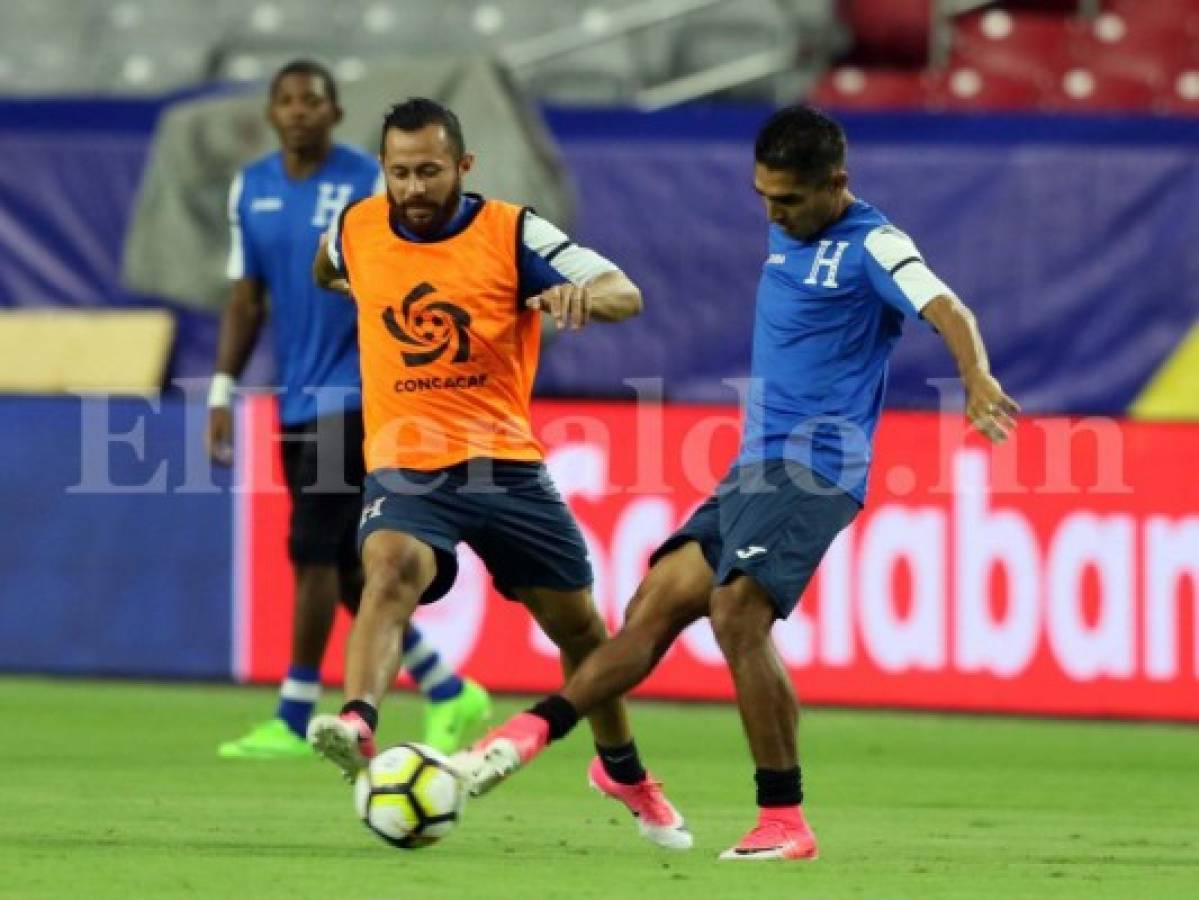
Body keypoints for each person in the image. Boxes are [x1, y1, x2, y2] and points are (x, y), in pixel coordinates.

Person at [455, 105, 1020, 861]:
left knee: (736, 611)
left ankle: (783, 821)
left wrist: (974, 376)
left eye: (787, 200)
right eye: (762, 196)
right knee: (649, 609)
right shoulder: (789, 224)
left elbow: (946, 306)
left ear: (836, 185)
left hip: (817, 469)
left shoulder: (874, 244)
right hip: (753, 468)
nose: (772, 213)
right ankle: (532, 744)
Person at [305, 97, 691, 851]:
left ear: (463, 166)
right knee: (387, 570)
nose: (412, 189)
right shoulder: (356, 226)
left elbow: (626, 292)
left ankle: (622, 770)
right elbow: (328, 265)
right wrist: (350, 286)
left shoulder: (511, 231)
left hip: (505, 468)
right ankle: (357, 721)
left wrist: (579, 295)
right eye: (398, 173)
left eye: (428, 171)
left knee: (580, 630)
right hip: (408, 463)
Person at [207, 61, 489, 760]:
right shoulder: (253, 187)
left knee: (311, 554)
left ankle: (294, 711)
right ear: (272, 114)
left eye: (313, 101)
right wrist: (220, 387)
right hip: (295, 393)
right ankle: (449, 690)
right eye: (287, 101)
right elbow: (247, 298)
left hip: (359, 391)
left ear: (335, 114)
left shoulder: (373, 180)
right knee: (341, 561)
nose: (300, 112)